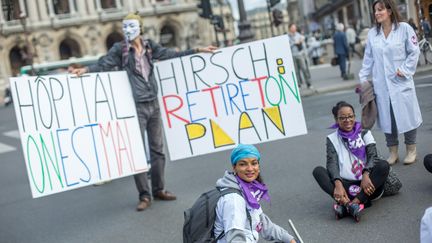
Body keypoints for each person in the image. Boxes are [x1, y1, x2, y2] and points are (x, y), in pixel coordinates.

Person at [70, 12, 217, 211]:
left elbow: (170, 55)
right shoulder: (119, 49)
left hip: (153, 104)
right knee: (137, 153)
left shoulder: (149, 46)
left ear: (140, 28)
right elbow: (103, 64)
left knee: (157, 150)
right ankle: (144, 195)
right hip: (136, 106)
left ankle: (159, 189)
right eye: (124, 27)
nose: (127, 31)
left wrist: (198, 49)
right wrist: (85, 71)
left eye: (131, 27)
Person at [358, 0, 422, 165]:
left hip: (401, 81)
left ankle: (411, 149)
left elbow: (414, 51)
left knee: (407, 116)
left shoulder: (404, 29)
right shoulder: (373, 33)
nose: (377, 13)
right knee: (388, 118)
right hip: (381, 84)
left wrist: (405, 69)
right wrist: (363, 81)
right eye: (375, 10)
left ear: (390, 11)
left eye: (380, 10)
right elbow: (368, 59)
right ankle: (393, 152)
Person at [313, 101, 390, 222]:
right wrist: (338, 184)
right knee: (318, 171)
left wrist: (366, 174)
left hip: (368, 186)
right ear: (336, 119)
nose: (347, 120)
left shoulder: (365, 133)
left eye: (350, 116)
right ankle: (351, 205)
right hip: (345, 187)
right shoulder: (332, 139)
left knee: (383, 165)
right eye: (342, 118)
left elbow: (372, 156)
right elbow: (331, 163)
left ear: (354, 116)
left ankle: (349, 204)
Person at [214, 144, 298, 242]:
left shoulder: (248, 190)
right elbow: (235, 239)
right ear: (234, 167)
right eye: (243, 164)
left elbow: (263, 224)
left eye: (254, 163)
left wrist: (289, 239)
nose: (250, 169)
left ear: (258, 165)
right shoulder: (234, 200)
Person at [288, 23, 313, 89]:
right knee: (296, 71)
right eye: (292, 27)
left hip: (300, 54)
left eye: (294, 27)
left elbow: (303, 43)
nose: (294, 29)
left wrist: (305, 53)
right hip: (292, 55)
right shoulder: (288, 36)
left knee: (304, 69)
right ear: (290, 28)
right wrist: (294, 43)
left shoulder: (299, 35)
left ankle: (308, 83)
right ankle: (298, 84)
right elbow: (288, 45)